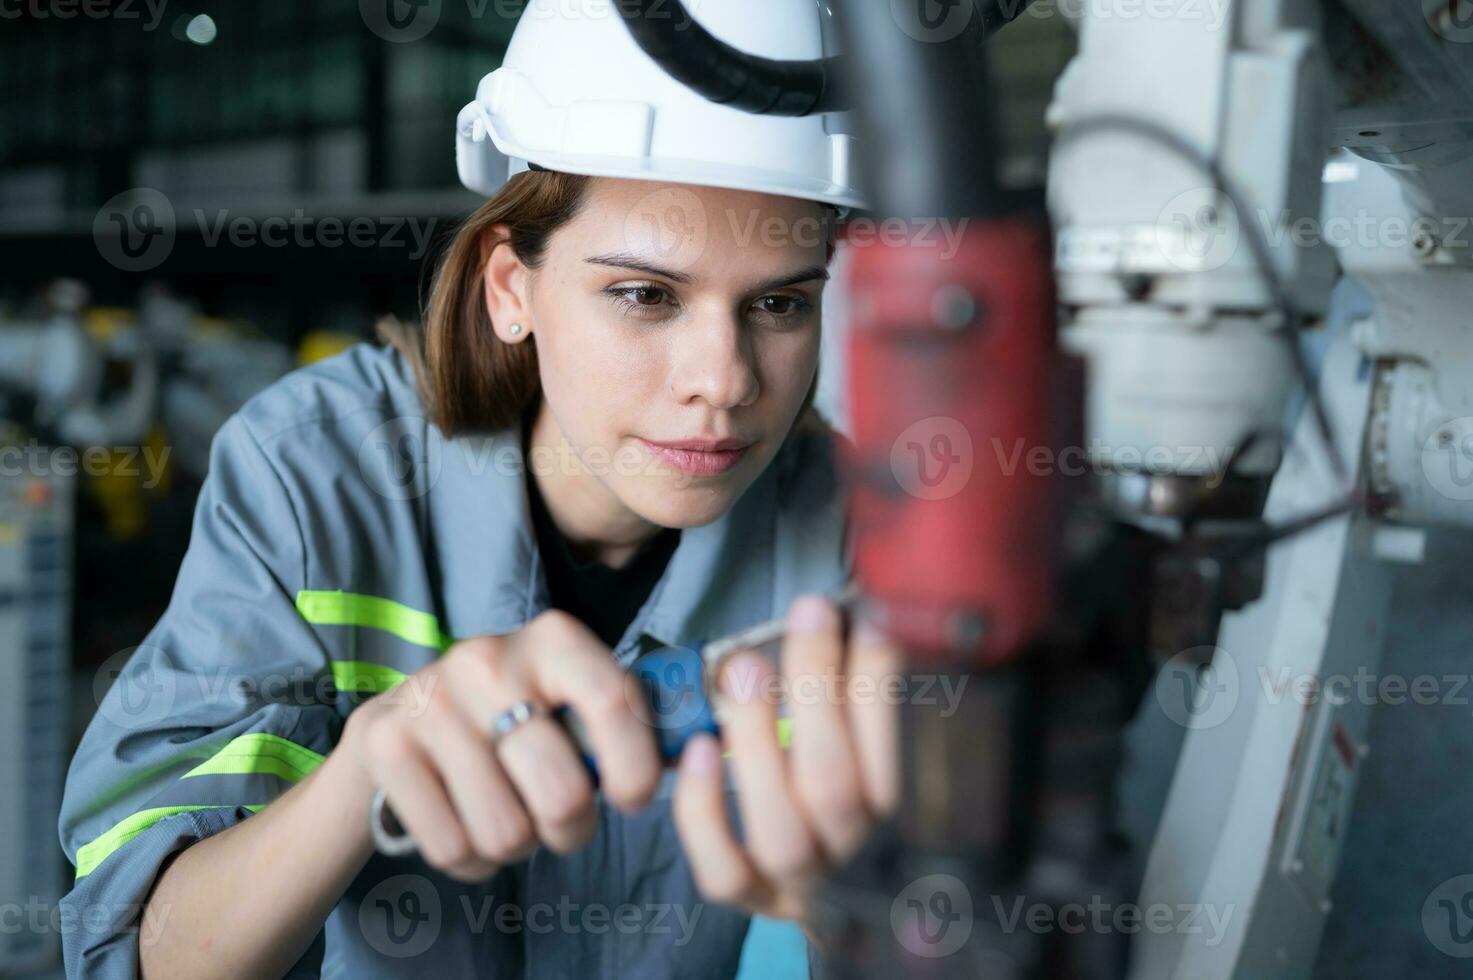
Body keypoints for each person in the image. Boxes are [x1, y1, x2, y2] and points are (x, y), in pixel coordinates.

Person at [57, 1, 900, 976]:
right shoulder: (318, 478)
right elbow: (140, 950)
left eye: (780, 302)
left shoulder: (856, 542)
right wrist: (371, 764)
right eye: (645, 295)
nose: (726, 378)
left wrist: (862, 920)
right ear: (511, 289)